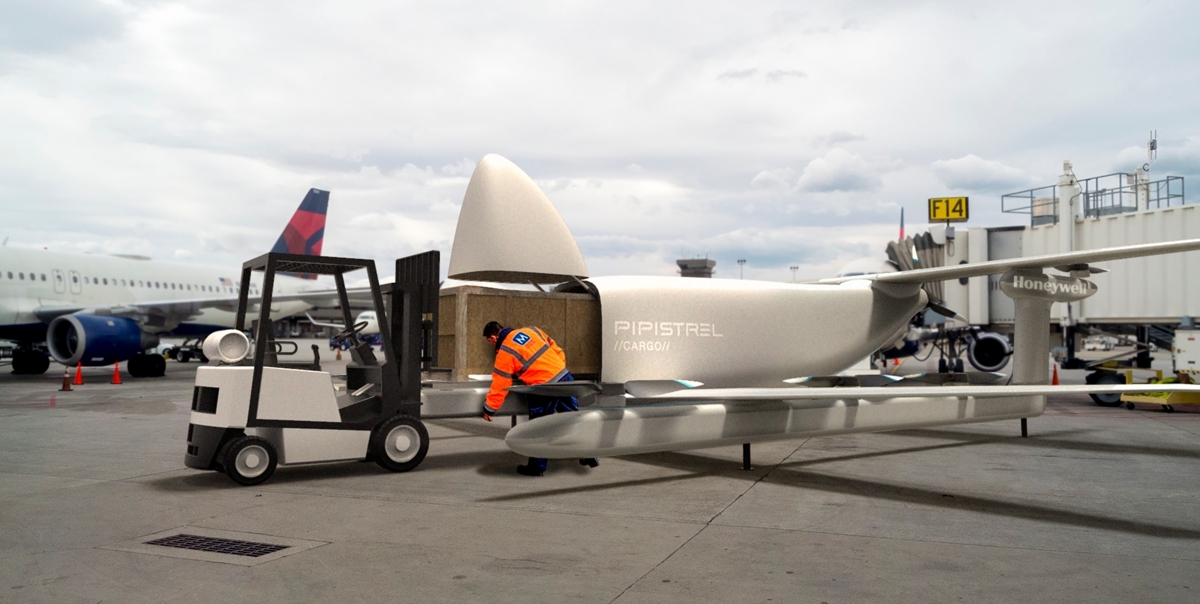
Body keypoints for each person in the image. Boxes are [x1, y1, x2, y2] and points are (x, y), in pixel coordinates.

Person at [482, 320, 599, 476]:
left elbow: (501, 382)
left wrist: (490, 408)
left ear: (493, 337)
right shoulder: (532, 330)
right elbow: (557, 350)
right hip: (563, 377)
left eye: (489, 341)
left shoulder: (506, 351)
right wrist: (556, 371)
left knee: (540, 426)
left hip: (543, 387)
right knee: (573, 418)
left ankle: (537, 467)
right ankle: (588, 453)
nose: (491, 344)